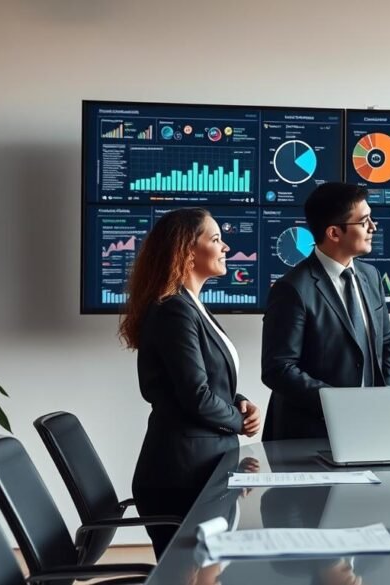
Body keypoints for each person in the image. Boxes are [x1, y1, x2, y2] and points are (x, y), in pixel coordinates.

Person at [119, 207, 261, 559]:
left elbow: (206, 379)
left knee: (207, 572)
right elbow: (195, 395)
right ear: (187, 251)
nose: (226, 247)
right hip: (182, 476)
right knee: (193, 574)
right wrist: (239, 421)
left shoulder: (190, 305)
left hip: (203, 465)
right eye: (216, 239)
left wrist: (238, 401)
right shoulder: (174, 310)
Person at [262, 182, 390, 441]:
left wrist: (387, 396)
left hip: (369, 428)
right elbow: (279, 368)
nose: (373, 227)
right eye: (364, 221)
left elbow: (388, 343)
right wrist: (341, 405)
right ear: (334, 233)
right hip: (310, 434)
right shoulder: (292, 288)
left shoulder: (371, 276)